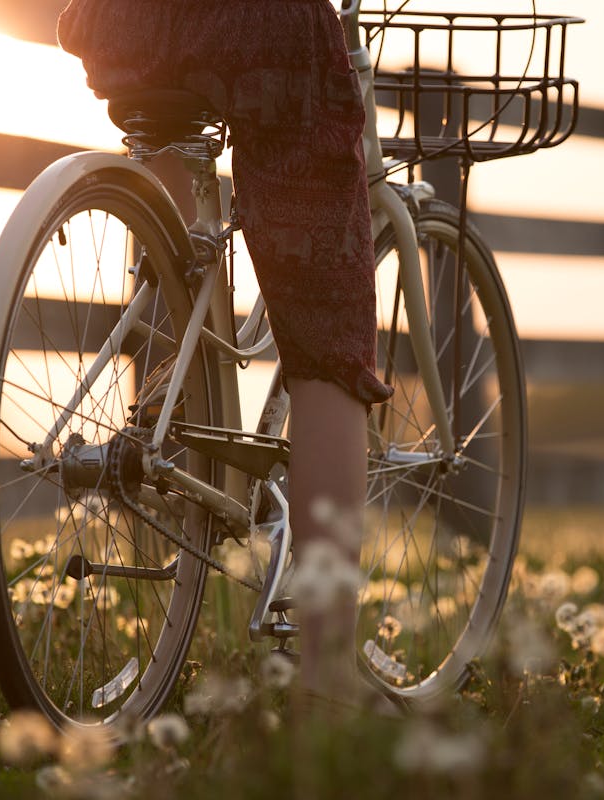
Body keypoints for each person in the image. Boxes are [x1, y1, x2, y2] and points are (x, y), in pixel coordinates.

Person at [56, 0, 393, 708]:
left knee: (172, 242)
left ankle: (169, 434)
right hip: (260, 28)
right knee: (329, 335)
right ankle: (327, 676)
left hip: (123, 23)